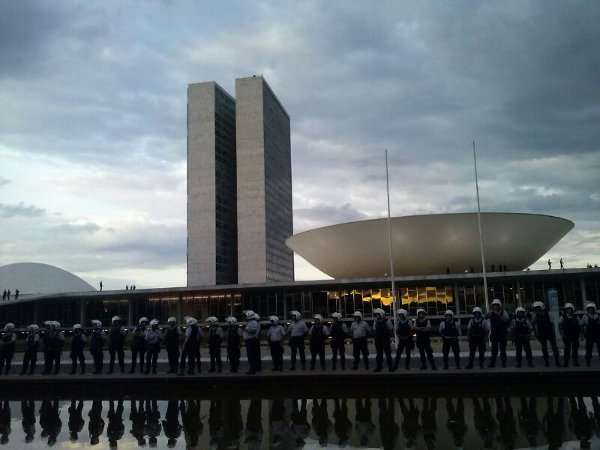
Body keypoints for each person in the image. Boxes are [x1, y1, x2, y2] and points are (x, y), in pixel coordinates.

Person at [532, 301, 561, 367]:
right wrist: (537, 335)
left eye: (538, 308)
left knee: (554, 347)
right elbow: (535, 326)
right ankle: (546, 362)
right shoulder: (535, 316)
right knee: (544, 348)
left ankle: (557, 361)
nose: (537, 310)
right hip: (542, 333)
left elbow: (552, 324)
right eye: (536, 309)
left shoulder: (548, 314)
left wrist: (553, 334)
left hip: (549, 332)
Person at [487, 299, 510, 368]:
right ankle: (492, 363)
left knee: (503, 350)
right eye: (494, 305)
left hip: (502, 333)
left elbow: (506, 320)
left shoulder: (503, 312)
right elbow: (485, 317)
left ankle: (503, 363)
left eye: (497, 305)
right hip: (494, 333)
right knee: (494, 350)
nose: (495, 307)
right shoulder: (491, 313)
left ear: (499, 306)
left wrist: (499, 315)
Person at [559, 302, 581, 367]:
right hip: (566, 335)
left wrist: (580, 335)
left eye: (570, 309)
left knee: (575, 349)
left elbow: (579, 326)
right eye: (567, 309)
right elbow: (560, 326)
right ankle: (566, 362)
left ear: (572, 309)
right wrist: (562, 334)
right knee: (567, 349)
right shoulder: (562, 317)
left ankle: (575, 361)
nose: (569, 310)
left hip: (575, 335)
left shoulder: (576, 317)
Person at [373, 308, 393, 372]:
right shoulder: (375, 321)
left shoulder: (387, 321)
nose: (377, 316)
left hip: (385, 340)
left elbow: (391, 329)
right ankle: (379, 367)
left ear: (381, 314)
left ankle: (390, 367)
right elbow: (374, 329)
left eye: (378, 314)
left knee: (388, 354)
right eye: (376, 314)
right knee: (379, 354)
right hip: (378, 340)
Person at [581, 303, 600, 367]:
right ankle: (588, 362)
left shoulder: (598, 315)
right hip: (589, 335)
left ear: (594, 309)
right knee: (588, 349)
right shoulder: (585, 316)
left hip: (598, 334)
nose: (590, 310)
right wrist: (582, 335)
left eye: (591, 309)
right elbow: (582, 325)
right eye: (589, 309)